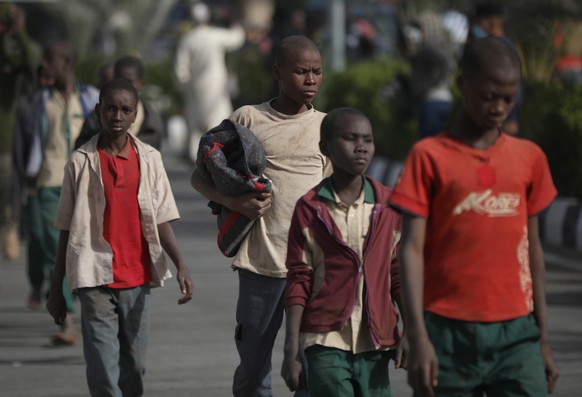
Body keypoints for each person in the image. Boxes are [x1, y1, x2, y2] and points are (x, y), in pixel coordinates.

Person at [389, 36, 559, 397]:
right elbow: (411, 251)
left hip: (517, 334)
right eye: (489, 96)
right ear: (462, 85)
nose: (499, 107)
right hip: (447, 333)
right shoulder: (429, 156)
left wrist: (542, 340)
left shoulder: (530, 158)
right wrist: (417, 336)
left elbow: (533, 251)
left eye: (509, 99)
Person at [191, 35, 328, 396]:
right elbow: (199, 176)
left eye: (316, 72)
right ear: (278, 73)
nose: (311, 80)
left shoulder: (328, 128)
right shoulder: (248, 118)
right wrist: (233, 203)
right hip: (261, 265)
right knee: (253, 369)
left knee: (310, 368)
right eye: (301, 72)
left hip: (313, 268)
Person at [46, 78, 194, 396]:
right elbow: (65, 228)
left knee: (134, 367)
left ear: (135, 114)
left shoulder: (150, 159)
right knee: (102, 371)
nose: (117, 115)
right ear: (99, 111)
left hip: (137, 280)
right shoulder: (79, 162)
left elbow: (163, 216)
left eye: (125, 109)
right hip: (93, 277)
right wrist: (57, 288)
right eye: (110, 108)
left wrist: (180, 263)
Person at [282, 107, 406, 396]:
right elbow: (299, 278)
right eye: (350, 138)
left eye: (368, 139)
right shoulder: (310, 208)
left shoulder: (388, 206)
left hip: (377, 340)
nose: (361, 146)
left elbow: (398, 273)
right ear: (326, 147)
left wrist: (411, 330)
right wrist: (291, 349)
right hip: (324, 338)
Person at [24, 41, 99, 344]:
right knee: (50, 244)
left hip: (81, 183)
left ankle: (68, 316)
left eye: (51, 60)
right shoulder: (40, 99)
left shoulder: (90, 98)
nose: (45, 66)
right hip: (47, 180)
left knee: (70, 248)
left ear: (66, 63)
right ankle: (66, 315)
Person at [174, 1, 245, 162]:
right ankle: (219, 151)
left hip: (194, 86)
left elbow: (180, 69)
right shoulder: (215, 35)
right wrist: (235, 22)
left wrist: (182, 86)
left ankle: (195, 154)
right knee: (218, 117)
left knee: (195, 120)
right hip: (215, 85)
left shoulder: (188, 39)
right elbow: (237, 38)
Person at [0, 3, 37, 265]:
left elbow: (32, 63)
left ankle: (10, 225)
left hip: (5, 140)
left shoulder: (11, 54)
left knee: (7, 184)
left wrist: (18, 33)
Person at [75, 54, 164, 150]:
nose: (124, 86)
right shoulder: (96, 119)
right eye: (119, 80)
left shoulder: (151, 124)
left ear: (141, 83)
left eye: (129, 82)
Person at [467, 2, 522, 136]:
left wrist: (511, 118)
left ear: (491, 22)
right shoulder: (489, 46)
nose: (479, 27)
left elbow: (515, 86)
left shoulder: (503, 49)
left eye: (480, 22)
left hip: (502, 122)